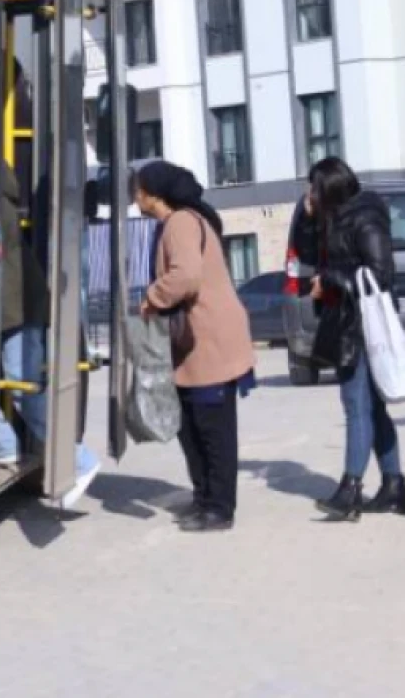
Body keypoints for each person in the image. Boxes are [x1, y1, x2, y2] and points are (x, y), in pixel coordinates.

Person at [134, 161, 257, 533]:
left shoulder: (181, 223)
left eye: (138, 189)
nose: (134, 196)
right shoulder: (180, 222)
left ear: (152, 194)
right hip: (196, 345)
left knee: (212, 428)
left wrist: (152, 298)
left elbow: (186, 276)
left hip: (210, 341)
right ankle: (204, 497)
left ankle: (220, 507)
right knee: (190, 426)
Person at [304, 157, 405, 522]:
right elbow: (303, 251)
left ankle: (351, 488)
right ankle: (394, 487)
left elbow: (381, 274)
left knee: (356, 405)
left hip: (363, 326)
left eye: (314, 187)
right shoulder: (333, 216)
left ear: (329, 188)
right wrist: (307, 215)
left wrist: (330, 279)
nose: (309, 194)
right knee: (372, 408)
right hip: (346, 321)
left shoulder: (365, 217)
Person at [0, 163, 101, 510]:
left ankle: (77, 459)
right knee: (0, 381)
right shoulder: (0, 201)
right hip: (13, 308)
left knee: (22, 384)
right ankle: (5, 444)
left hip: (18, 309)